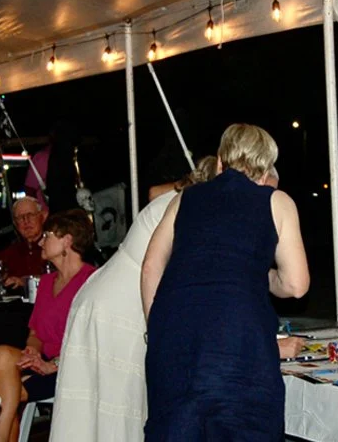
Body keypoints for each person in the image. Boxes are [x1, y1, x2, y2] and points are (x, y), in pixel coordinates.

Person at [142, 124, 310, 441]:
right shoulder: (276, 201)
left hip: (174, 341)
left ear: (220, 162)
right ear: (266, 169)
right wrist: (265, 275)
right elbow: (296, 285)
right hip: (238, 346)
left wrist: (156, 327)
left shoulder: (183, 199)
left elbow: (151, 265)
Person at [48, 156, 217, 442]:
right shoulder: (189, 207)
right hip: (124, 303)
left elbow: (153, 192)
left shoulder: (173, 197)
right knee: (120, 398)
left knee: (93, 402)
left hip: (105, 291)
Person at [0, 209, 96, 442]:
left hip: (70, 368)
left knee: (4, 390)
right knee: (2, 355)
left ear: (67, 241)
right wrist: (32, 350)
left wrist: (52, 364)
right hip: (41, 364)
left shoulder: (91, 281)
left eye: (48, 235)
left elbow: (89, 341)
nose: (42, 240)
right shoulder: (47, 282)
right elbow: (35, 333)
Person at [0, 198, 48, 291]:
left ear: (42, 217)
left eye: (30, 215)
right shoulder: (8, 253)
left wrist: (26, 282)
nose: (26, 221)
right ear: (15, 224)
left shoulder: (55, 248)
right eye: (20, 217)